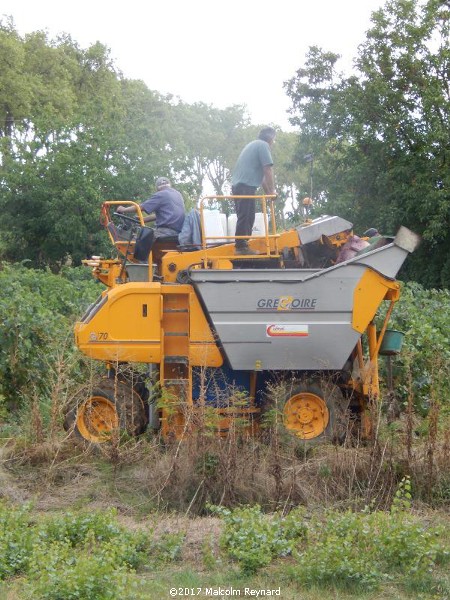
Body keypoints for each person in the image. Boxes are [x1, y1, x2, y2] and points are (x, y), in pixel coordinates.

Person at [231, 127, 276, 254]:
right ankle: (241, 247)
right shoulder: (263, 146)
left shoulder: (253, 145)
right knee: (246, 215)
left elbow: (261, 178)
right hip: (245, 186)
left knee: (246, 215)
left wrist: (268, 194)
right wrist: (272, 191)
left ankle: (242, 244)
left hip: (239, 186)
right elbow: (268, 170)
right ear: (271, 138)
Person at [117, 176, 185, 239]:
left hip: (165, 232)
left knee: (141, 239)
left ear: (157, 188)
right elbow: (161, 215)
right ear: (170, 185)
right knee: (146, 236)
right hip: (178, 232)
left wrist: (124, 209)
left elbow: (141, 207)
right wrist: (143, 219)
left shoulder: (161, 194)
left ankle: (140, 252)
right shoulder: (178, 194)